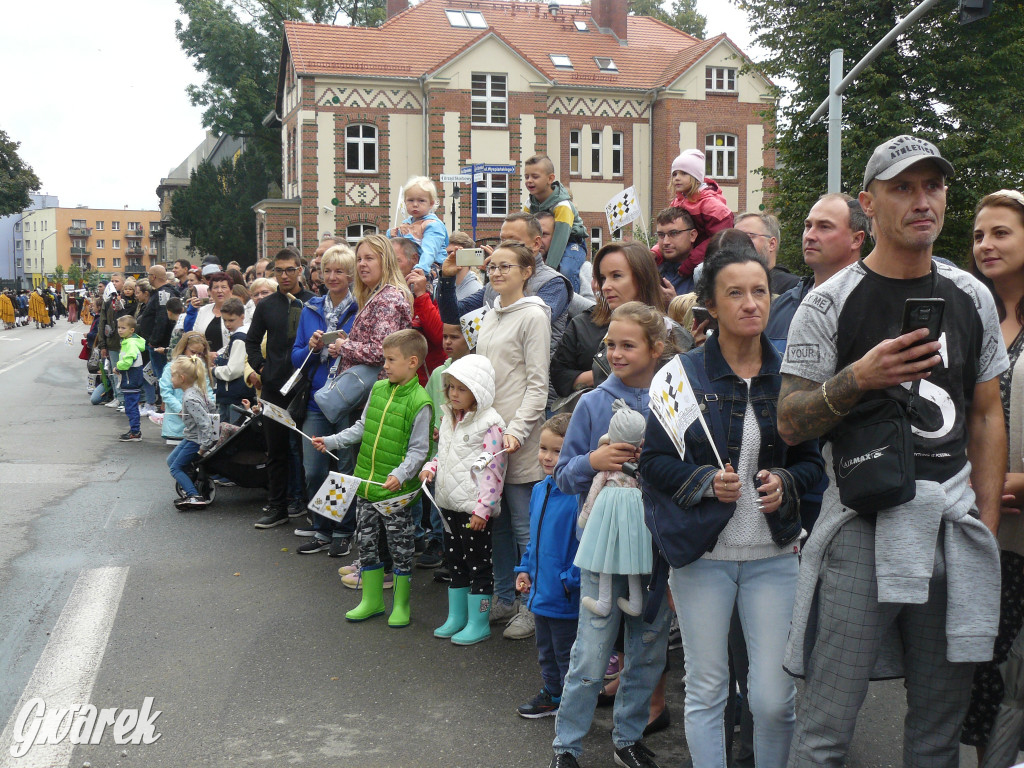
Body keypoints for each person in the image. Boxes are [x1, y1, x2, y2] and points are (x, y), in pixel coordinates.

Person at [779, 135, 1006, 767]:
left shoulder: (973, 296)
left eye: (932, 186)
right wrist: (860, 377)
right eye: (902, 187)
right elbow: (790, 423)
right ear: (868, 205)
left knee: (938, 734)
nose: (922, 201)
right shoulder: (828, 301)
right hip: (861, 527)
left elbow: (986, 413)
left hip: (952, 528)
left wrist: (983, 523)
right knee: (825, 729)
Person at [640, 241, 824, 768]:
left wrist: (787, 480)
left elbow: (814, 463)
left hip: (774, 555)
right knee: (707, 688)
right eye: (735, 293)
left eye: (760, 292)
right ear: (712, 307)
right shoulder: (680, 377)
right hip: (703, 556)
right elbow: (652, 462)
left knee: (772, 698)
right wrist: (703, 480)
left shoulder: (791, 374)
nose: (751, 303)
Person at [549, 301, 673, 768]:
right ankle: (567, 746)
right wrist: (592, 463)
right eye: (610, 345)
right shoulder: (594, 402)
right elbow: (563, 475)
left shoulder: (673, 400)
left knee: (647, 650)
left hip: (658, 547)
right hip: (603, 548)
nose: (616, 354)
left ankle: (628, 738)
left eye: (628, 345)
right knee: (590, 654)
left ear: (655, 348)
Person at [312, 329, 433, 628]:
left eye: (391, 359)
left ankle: (401, 605)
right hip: (366, 485)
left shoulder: (421, 401)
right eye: (384, 358)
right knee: (366, 543)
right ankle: (371, 600)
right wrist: (331, 441)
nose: (385, 365)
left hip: (394, 493)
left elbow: (420, 450)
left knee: (401, 548)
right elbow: (361, 428)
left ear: (412, 362)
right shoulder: (378, 389)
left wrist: (400, 474)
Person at [962, 189, 1024, 763]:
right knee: (987, 685)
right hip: (986, 537)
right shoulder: (976, 319)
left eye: (1001, 232)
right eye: (980, 235)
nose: (986, 244)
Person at [475, 240, 552, 640]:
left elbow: (538, 385)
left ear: (527, 272)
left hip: (517, 440)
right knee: (497, 524)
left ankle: (531, 605)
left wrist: (518, 431)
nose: (497, 272)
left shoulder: (533, 316)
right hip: (489, 438)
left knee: (525, 526)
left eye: (507, 266)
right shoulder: (490, 314)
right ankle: (504, 596)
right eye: (492, 266)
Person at [420, 354, 507, 644]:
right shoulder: (448, 419)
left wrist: (483, 509)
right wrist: (430, 468)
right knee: (455, 560)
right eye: (451, 388)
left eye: (461, 389)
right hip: (447, 505)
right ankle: (457, 616)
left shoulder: (490, 424)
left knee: (478, 564)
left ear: (478, 391)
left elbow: (494, 470)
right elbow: (443, 454)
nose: (453, 394)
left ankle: (479, 621)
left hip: (473, 510)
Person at [550, 241, 688, 402]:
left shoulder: (672, 330)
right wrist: (600, 375)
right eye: (602, 278)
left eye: (616, 276)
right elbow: (559, 378)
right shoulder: (583, 324)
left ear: (641, 277)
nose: (606, 286)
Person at [291, 244, 359, 556]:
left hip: (347, 399)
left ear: (351, 275)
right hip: (317, 400)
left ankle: (342, 531)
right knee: (314, 470)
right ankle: (322, 528)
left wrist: (346, 347)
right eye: (327, 270)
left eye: (339, 271)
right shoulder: (311, 309)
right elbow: (296, 357)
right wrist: (313, 349)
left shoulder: (360, 308)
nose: (332, 276)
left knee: (343, 469)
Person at [514, 413, 580, 719]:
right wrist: (524, 569)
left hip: (566, 596)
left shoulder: (580, 495)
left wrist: (570, 580)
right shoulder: (540, 489)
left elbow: (585, 547)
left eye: (557, 451)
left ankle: (572, 705)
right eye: (543, 448)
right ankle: (553, 695)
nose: (548, 457)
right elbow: (534, 540)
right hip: (540, 593)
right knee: (545, 651)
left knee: (568, 654)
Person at [246, 248, 315, 529]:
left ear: (300, 270)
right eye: (279, 270)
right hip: (274, 387)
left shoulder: (313, 303)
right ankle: (278, 506)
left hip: (306, 386)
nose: (284, 275)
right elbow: (251, 341)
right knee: (276, 450)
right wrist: (261, 367)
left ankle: (312, 509)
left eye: (290, 269)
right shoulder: (266, 305)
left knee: (307, 451)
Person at [436, 212, 572, 354]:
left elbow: (528, 327)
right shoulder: (494, 283)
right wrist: (447, 278)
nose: (505, 247)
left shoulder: (553, 283)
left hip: (529, 372)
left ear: (536, 244)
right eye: (502, 241)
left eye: (513, 241)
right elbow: (452, 316)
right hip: (491, 371)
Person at [764, 194, 869, 354]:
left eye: (824, 227)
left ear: (856, 239)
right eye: (808, 226)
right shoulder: (780, 307)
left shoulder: (875, 304)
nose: (810, 236)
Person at [576, 401, 649, 617]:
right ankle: (635, 603)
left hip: (607, 512)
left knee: (605, 551)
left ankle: (604, 602)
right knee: (632, 552)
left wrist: (585, 515)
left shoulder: (606, 469)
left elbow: (594, 490)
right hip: (635, 512)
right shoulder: (640, 466)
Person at [523, 155, 588, 292]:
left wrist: (548, 271)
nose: (529, 181)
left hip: (571, 242)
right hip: (544, 243)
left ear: (550, 179)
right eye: (526, 176)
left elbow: (560, 240)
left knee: (567, 269)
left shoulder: (562, 205)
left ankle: (570, 303)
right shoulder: (529, 204)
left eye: (535, 177)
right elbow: (522, 230)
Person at [167, 353, 218, 509]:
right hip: (191, 436)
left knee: (175, 467)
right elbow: (211, 407)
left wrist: (204, 448)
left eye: (173, 376)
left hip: (196, 440)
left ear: (182, 378)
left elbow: (205, 424)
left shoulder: (189, 398)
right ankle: (193, 480)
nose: (171, 379)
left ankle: (193, 495)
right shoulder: (197, 390)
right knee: (171, 461)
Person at [393, 237, 445, 378]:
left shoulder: (434, 288)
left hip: (427, 384)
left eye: (396, 261)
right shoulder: (383, 293)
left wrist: (421, 295)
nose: (391, 268)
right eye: (387, 262)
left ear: (415, 259)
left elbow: (440, 337)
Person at [387, 176, 449, 276]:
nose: (415, 204)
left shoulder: (433, 225)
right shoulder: (407, 223)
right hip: (412, 265)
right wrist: (391, 234)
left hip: (431, 267)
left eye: (421, 200)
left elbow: (430, 250)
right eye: (410, 200)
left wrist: (422, 268)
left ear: (431, 203)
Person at [160, 331, 215, 444]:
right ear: (184, 348)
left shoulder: (201, 367)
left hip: (197, 421)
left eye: (200, 354)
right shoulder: (172, 367)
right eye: (193, 352)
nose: (196, 356)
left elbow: (207, 390)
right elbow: (166, 392)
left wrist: (208, 408)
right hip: (176, 422)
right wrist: (180, 409)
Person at [210, 298, 252, 426]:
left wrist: (213, 370)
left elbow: (233, 371)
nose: (228, 324)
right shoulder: (236, 336)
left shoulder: (240, 338)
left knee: (231, 434)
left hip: (235, 395)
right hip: (230, 394)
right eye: (225, 320)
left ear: (242, 317)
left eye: (231, 320)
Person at [734, 212, 800, 295]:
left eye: (749, 236)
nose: (738, 243)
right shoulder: (728, 284)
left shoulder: (794, 288)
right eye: (735, 238)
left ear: (771, 244)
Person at [137, 265, 176, 380]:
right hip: (156, 343)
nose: (148, 278)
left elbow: (162, 317)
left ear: (153, 277)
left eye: (148, 275)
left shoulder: (163, 294)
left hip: (159, 345)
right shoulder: (159, 293)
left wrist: (154, 340)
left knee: (163, 378)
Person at [115, 315, 147, 442]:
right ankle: (134, 430)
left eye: (123, 328)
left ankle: (135, 432)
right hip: (131, 379)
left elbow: (129, 359)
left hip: (130, 379)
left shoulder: (130, 343)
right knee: (131, 406)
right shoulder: (130, 341)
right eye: (118, 327)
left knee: (131, 407)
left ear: (132, 330)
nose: (120, 330)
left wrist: (118, 367)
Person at [653, 207, 699, 296]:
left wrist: (674, 304)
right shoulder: (651, 273)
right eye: (661, 235)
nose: (666, 242)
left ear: (692, 235)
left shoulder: (705, 276)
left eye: (674, 233)